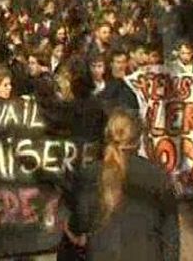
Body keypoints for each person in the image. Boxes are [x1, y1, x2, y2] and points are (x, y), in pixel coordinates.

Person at [65, 110, 179, 260]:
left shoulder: (89, 174)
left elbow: (79, 224)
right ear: (138, 139)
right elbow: (171, 237)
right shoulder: (158, 177)